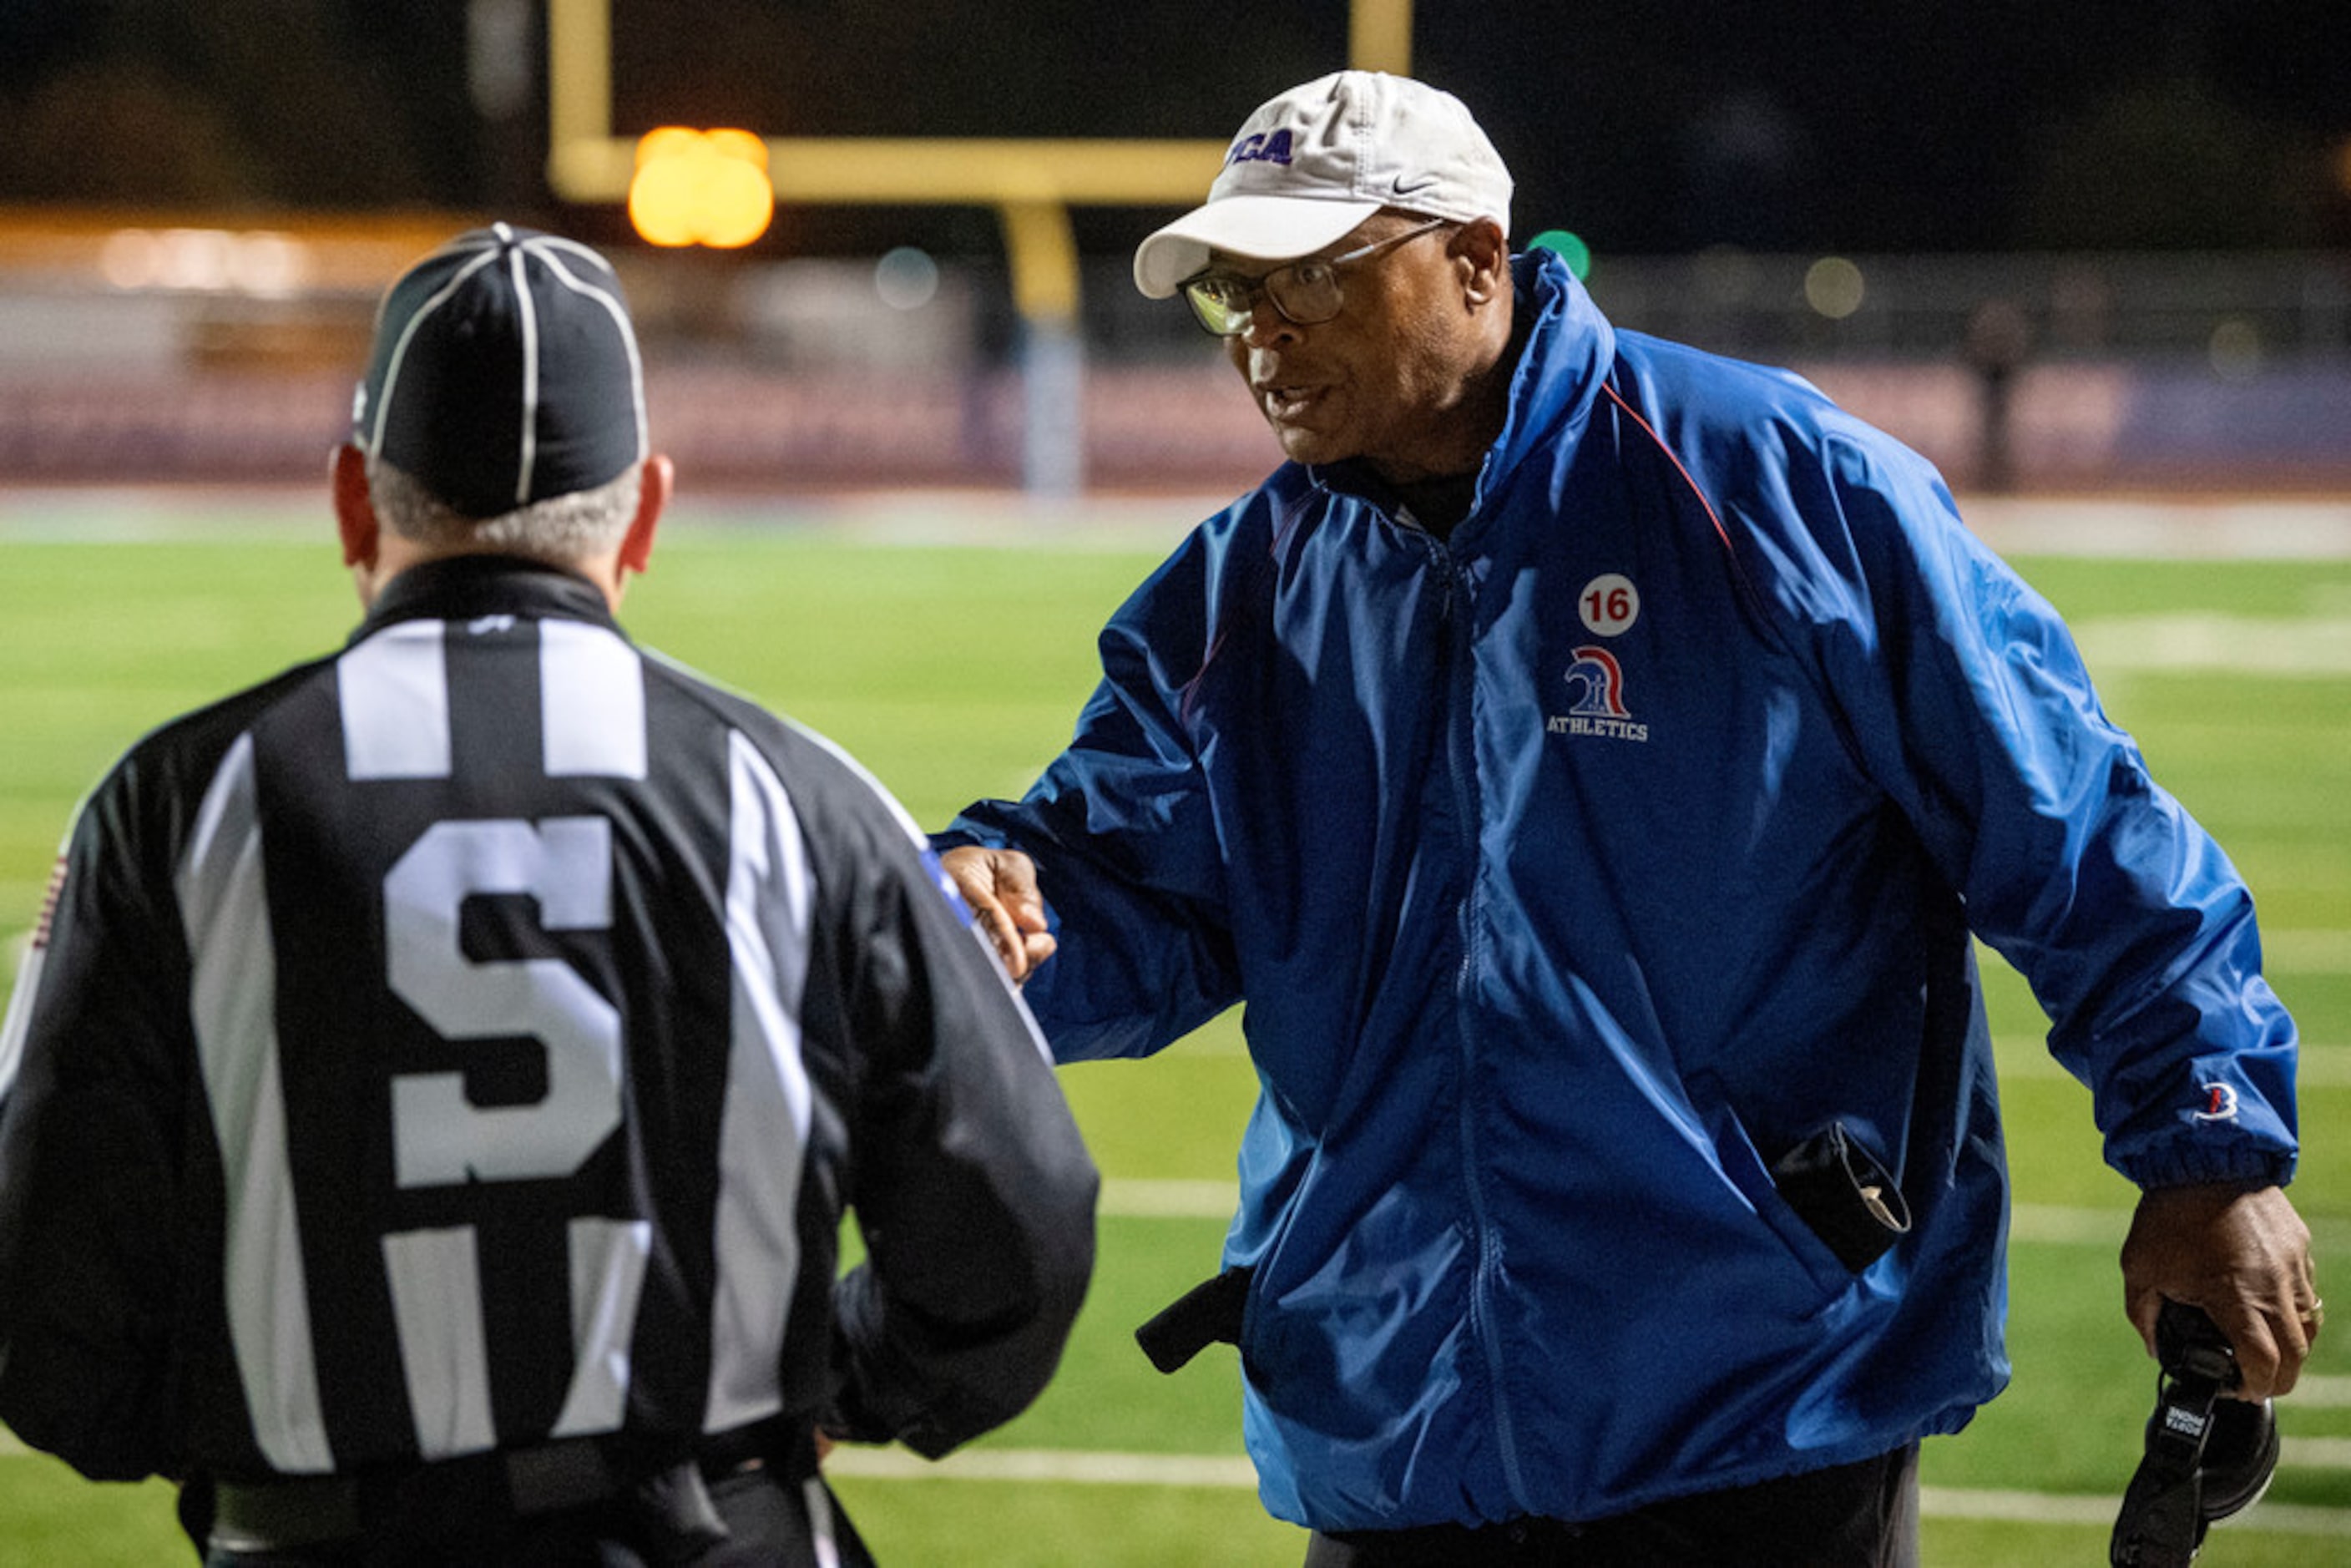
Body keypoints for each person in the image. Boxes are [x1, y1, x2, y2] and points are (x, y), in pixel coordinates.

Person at [939, 70, 2316, 1565]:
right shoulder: (1245, 588)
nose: (1261, 336)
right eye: (1234, 297)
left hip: (1756, 1402)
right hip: (1391, 1415)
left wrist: (2206, 1148)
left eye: (1312, 281)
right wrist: (980, 918)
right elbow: (1123, 883)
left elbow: (2069, 817)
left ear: (1473, 258)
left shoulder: (1774, 486)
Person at [0, 224, 1098, 1566]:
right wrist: (835, 1382)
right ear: (644, 511)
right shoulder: (798, 798)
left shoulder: (177, 804)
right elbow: (1018, 1235)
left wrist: (254, 1445)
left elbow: (43, 1314)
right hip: (703, 1528)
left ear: (354, 496)